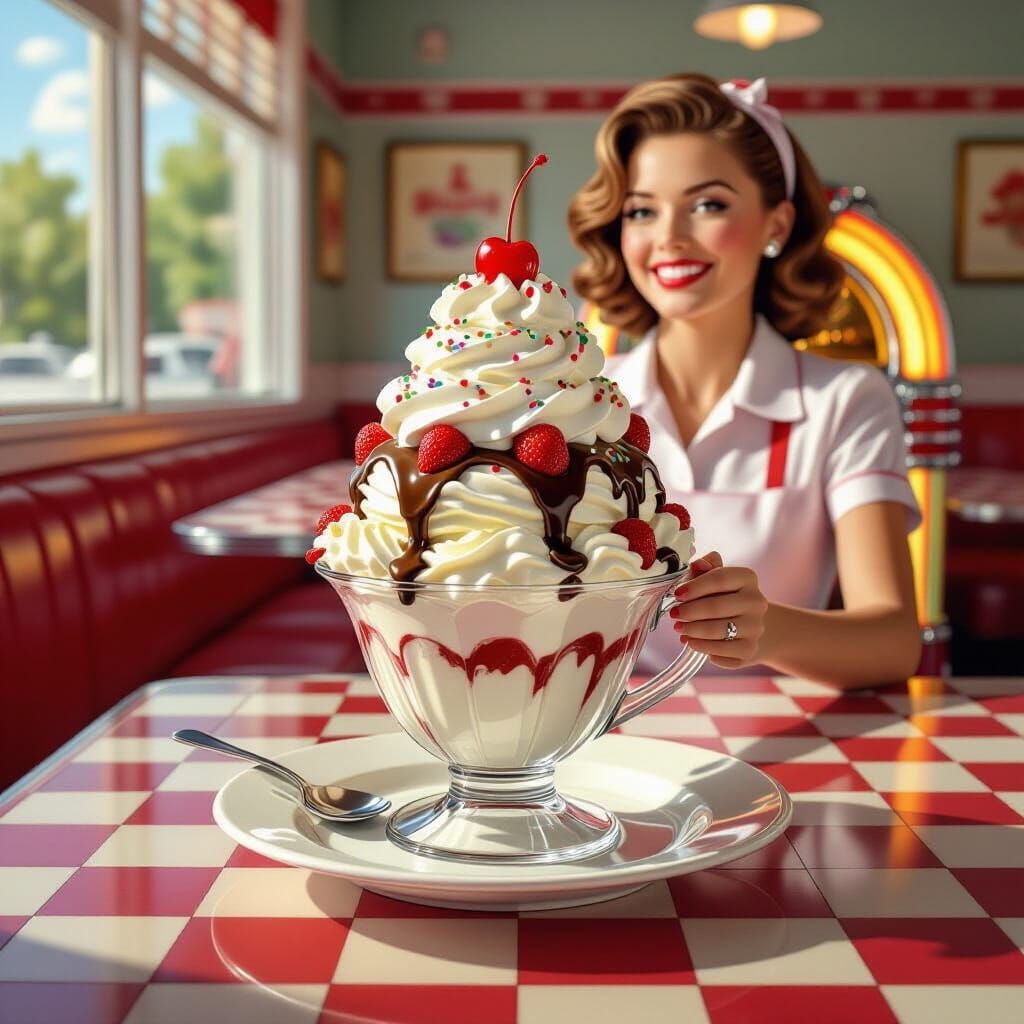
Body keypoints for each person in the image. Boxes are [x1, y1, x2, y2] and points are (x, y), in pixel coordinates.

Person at [568, 74, 922, 688]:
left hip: (782, 730)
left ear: (776, 224)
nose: (669, 237)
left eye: (708, 204)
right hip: (604, 732)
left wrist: (767, 629)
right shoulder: (581, 402)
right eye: (642, 210)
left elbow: (893, 642)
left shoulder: (847, 400)